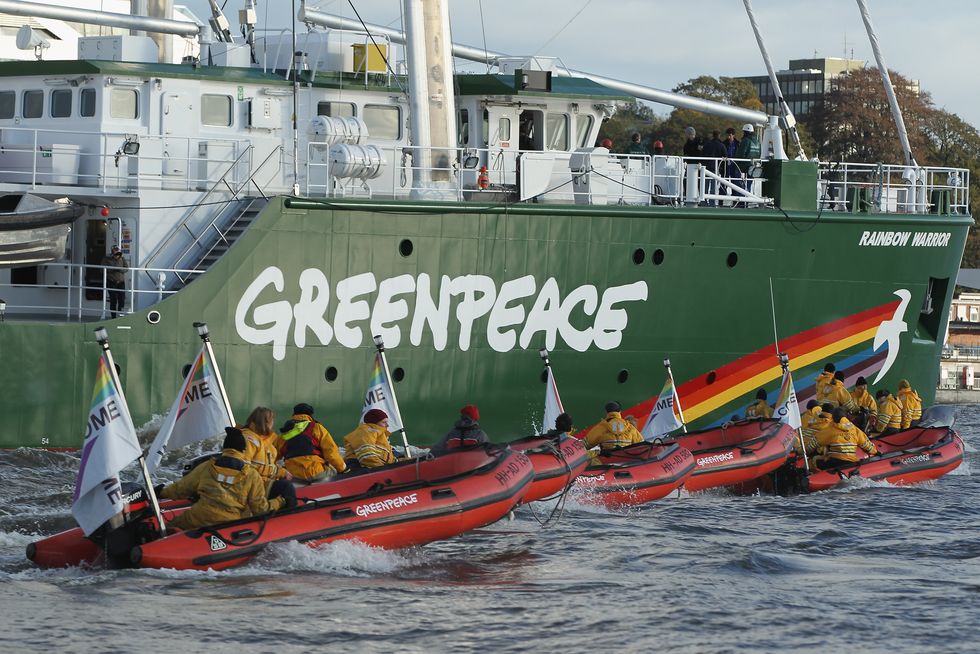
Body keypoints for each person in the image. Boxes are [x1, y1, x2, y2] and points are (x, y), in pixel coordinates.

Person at [157, 427, 294, 530]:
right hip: (230, 524)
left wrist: (161, 492)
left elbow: (180, 489)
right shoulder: (251, 475)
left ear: (225, 448)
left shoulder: (206, 466)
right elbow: (260, 509)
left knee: (167, 528)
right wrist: (279, 501)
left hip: (199, 517)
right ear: (243, 451)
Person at [277, 403, 347, 483]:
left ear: (294, 414)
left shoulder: (284, 433)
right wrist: (343, 469)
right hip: (316, 472)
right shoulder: (316, 427)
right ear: (310, 415)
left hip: (293, 476)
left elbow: (273, 456)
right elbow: (331, 454)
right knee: (334, 472)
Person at [813, 407, 877, 470]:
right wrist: (875, 451)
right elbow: (865, 443)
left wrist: (806, 452)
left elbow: (815, 442)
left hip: (834, 462)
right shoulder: (854, 428)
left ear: (833, 417)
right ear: (845, 416)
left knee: (814, 460)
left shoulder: (829, 430)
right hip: (851, 462)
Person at [241, 406, 290, 486]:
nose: (273, 423)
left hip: (263, 482)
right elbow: (244, 467)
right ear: (265, 422)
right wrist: (279, 472)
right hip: (255, 485)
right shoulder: (250, 439)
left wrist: (282, 472)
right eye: (271, 420)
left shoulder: (266, 440)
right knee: (286, 488)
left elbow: (268, 464)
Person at [101, 245, 128, 318]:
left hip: (121, 282)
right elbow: (102, 269)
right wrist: (112, 269)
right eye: (116, 254)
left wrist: (120, 269)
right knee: (113, 300)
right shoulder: (106, 258)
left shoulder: (122, 258)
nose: (118, 256)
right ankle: (113, 317)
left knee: (121, 299)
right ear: (112, 253)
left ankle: (120, 314)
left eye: (119, 254)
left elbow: (126, 268)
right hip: (111, 282)